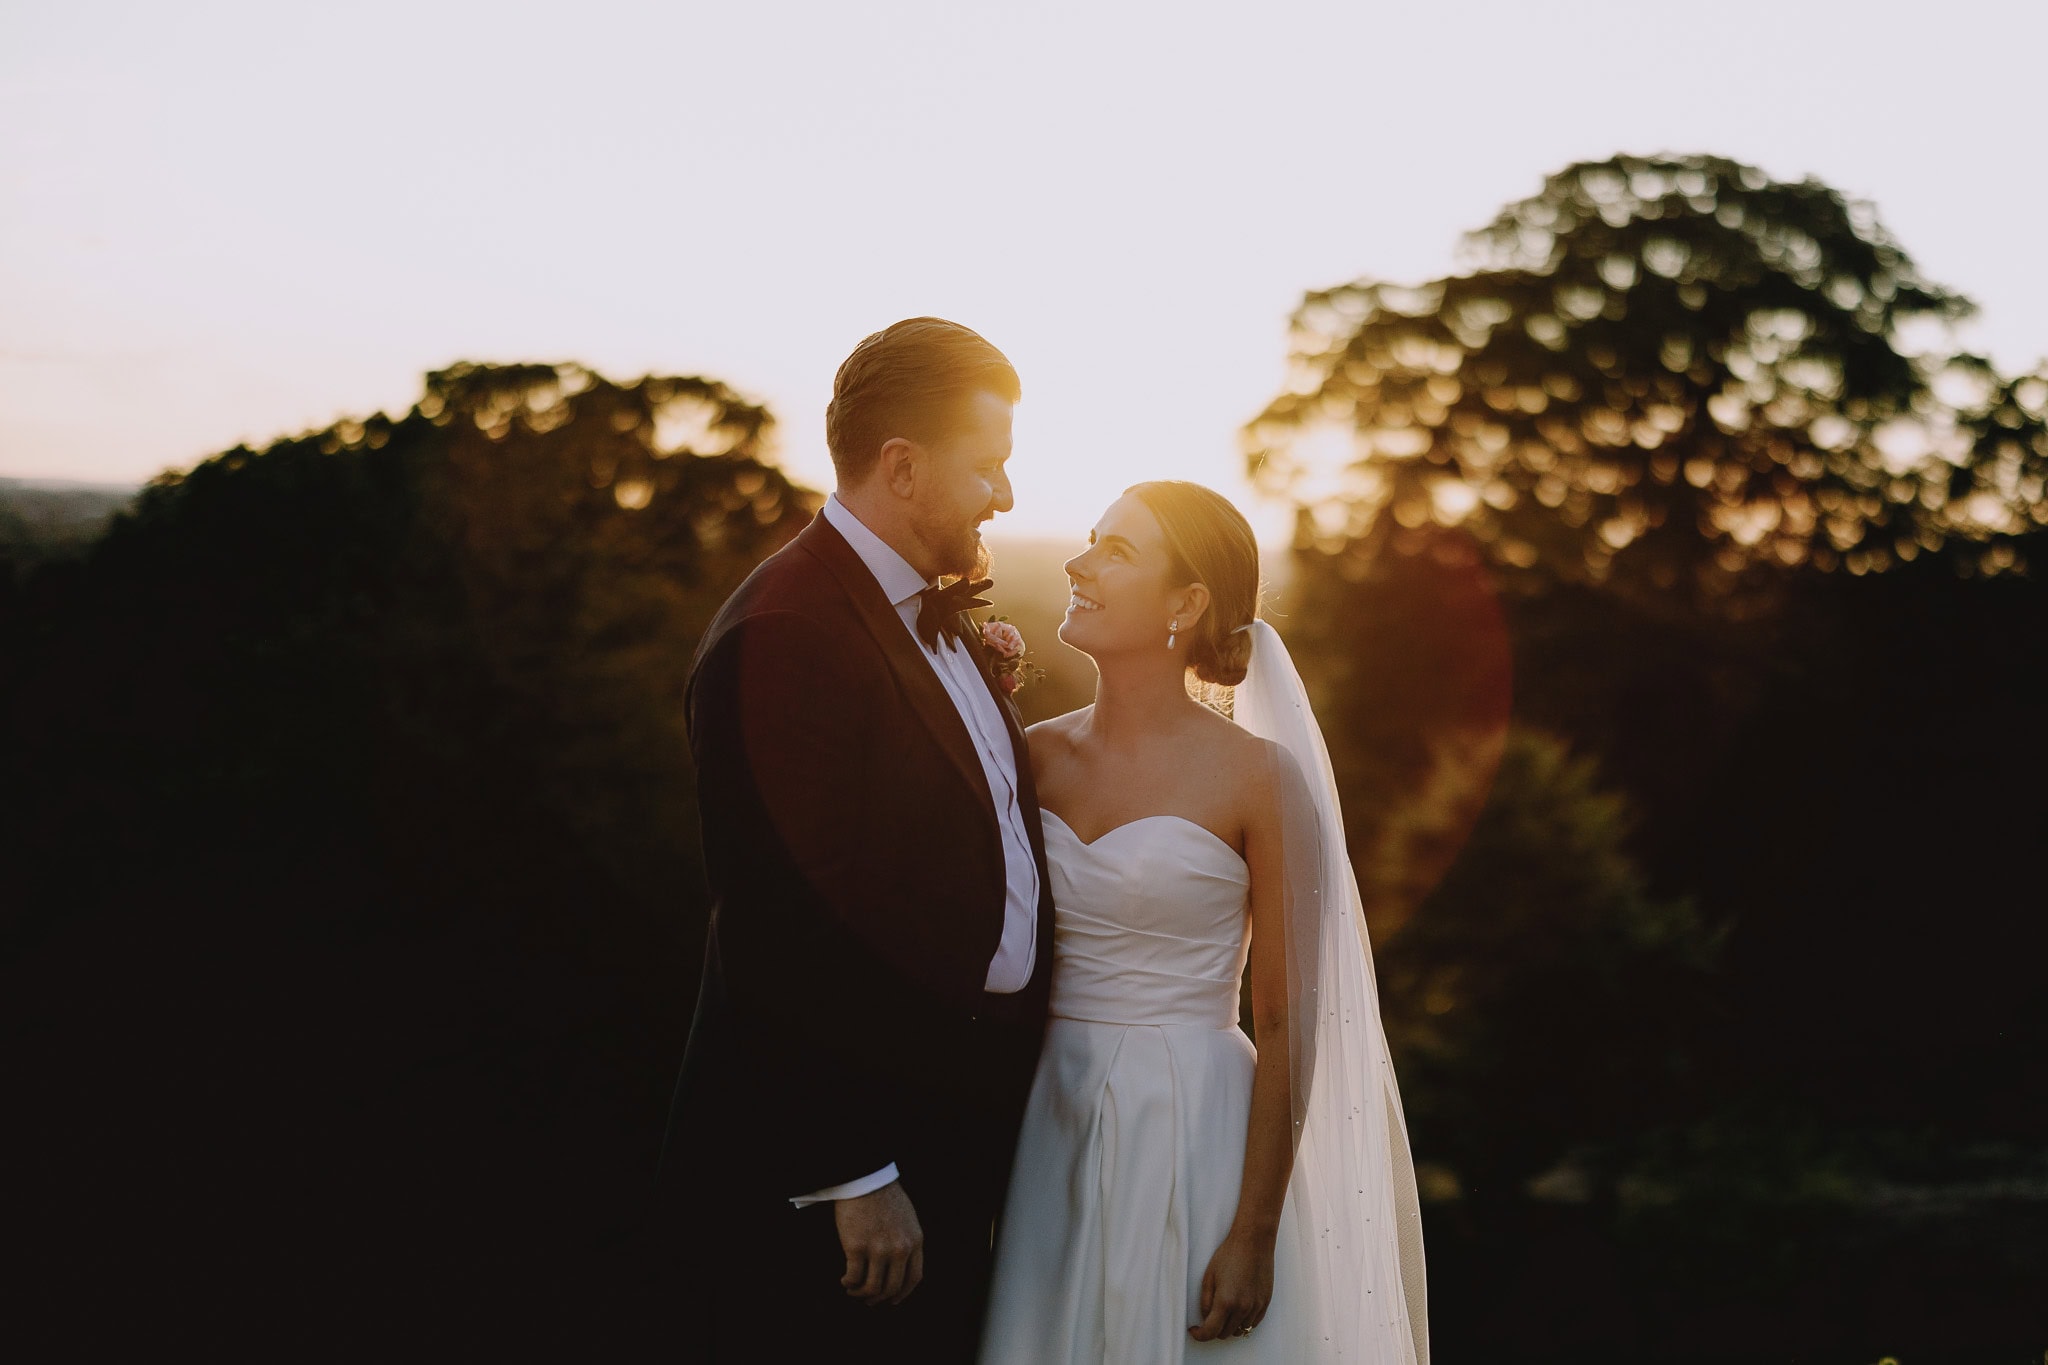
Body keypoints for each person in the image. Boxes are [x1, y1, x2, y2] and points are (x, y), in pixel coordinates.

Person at [655, 318, 1054, 1361]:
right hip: (854, 1173)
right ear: (903, 467)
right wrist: (853, 1172)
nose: (1006, 496)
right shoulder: (785, 634)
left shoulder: (927, 610)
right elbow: (778, 925)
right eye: (988, 466)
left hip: (954, 1127)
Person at [978, 481, 1431, 1363]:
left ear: (1185, 604)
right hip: (1047, 1117)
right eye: (1089, 539)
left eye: (1116, 551)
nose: (1078, 564)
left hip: (1194, 1124)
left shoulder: (1259, 778)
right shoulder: (1033, 754)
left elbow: (1287, 1019)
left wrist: (1254, 1229)